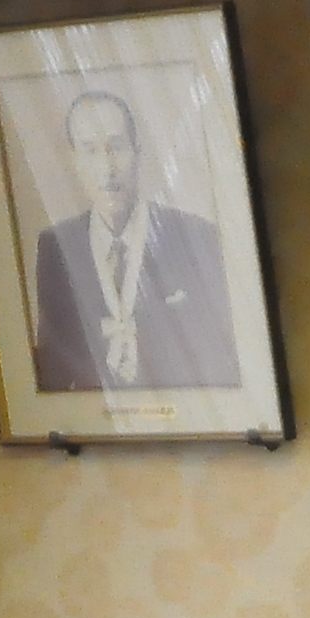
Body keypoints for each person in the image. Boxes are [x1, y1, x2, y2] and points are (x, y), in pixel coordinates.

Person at [27, 90, 239, 393]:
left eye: (116, 147)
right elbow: (52, 372)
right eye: (90, 150)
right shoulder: (56, 247)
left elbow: (220, 358)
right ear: (75, 161)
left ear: (138, 152)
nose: (107, 168)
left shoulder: (195, 236)